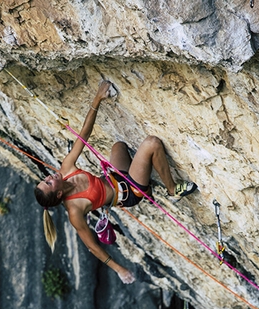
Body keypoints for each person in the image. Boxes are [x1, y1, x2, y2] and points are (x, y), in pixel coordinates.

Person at [34, 80, 197, 284]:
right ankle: (172, 190)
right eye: (48, 183)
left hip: (117, 175)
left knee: (118, 146)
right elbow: (93, 247)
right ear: (58, 195)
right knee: (151, 144)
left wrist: (98, 99)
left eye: (45, 178)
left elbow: (83, 134)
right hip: (129, 192)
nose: (49, 177)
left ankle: (145, 174)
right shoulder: (74, 211)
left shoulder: (66, 169)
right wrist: (119, 269)